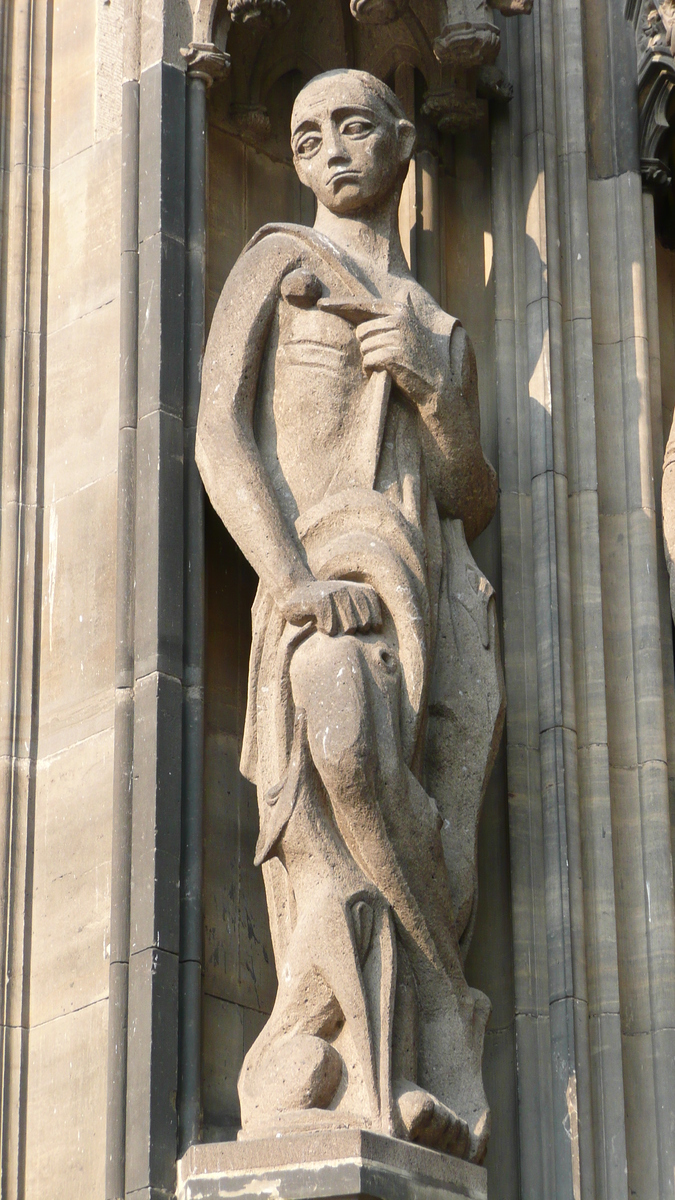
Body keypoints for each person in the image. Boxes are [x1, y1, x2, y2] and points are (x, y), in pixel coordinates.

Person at [196, 68, 500, 1163]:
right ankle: (439, 1035)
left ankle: (381, 1062)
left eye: (355, 127)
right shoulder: (277, 265)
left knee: (396, 808)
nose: (331, 150)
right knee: (333, 746)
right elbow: (219, 439)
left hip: (429, 604)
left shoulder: (436, 322)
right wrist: (286, 579)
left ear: (403, 143)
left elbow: (469, 496)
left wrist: (434, 389)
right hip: (322, 581)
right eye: (307, 134)